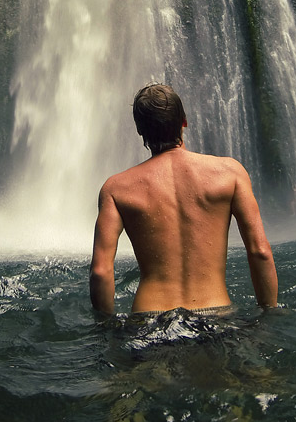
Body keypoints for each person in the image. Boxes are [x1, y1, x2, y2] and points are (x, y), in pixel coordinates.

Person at [90, 83, 278, 316]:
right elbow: (260, 251)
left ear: (140, 130)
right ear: (184, 121)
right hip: (215, 317)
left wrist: (106, 327)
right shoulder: (230, 173)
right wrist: (269, 313)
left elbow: (100, 271)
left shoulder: (116, 189)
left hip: (150, 321)